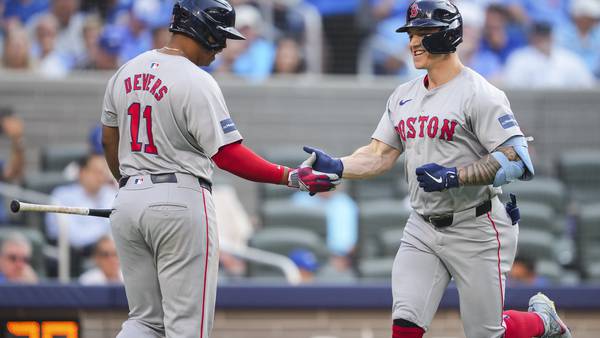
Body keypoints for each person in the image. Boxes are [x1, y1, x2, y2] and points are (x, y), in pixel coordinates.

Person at [300, 1, 571, 338]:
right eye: (411, 33)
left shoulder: (481, 93)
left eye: (423, 33)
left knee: (487, 333)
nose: (413, 42)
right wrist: (337, 166)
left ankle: (543, 322)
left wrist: (454, 176)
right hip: (422, 226)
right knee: (405, 326)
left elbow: (517, 159)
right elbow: (379, 154)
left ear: (449, 34)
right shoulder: (403, 95)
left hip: (477, 225)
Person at [100, 1, 339, 337]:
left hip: (127, 199)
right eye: (219, 35)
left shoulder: (125, 70)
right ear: (201, 29)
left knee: (143, 321)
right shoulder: (197, 80)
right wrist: (289, 176)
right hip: (179, 200)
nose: (222, 46)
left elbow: (109, 141)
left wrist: (129, 187)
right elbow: (227, 154)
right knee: (187, 326)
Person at [503, 21, 595, 89]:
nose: (542, 39)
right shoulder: (519, 58)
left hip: (566, 107)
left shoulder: (570, 59)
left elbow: (587, 85)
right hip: (532, 108)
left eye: (545, 35)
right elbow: (513, 86)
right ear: (532, 37)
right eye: (539, 36)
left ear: (552, 36)